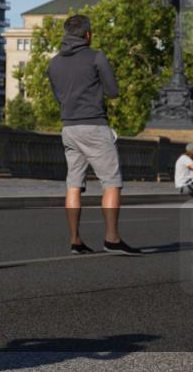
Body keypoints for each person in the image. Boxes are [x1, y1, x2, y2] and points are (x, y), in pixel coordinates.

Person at [47, 14, 143, 256]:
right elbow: (113, 91)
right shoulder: (96, 56)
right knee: (111, 182)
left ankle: (75, 241)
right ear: (87, 35)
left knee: (73, 184)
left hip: (69, 127)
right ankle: (112, 238)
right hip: (94, 126)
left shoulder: (54, 63)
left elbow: (58, 96)